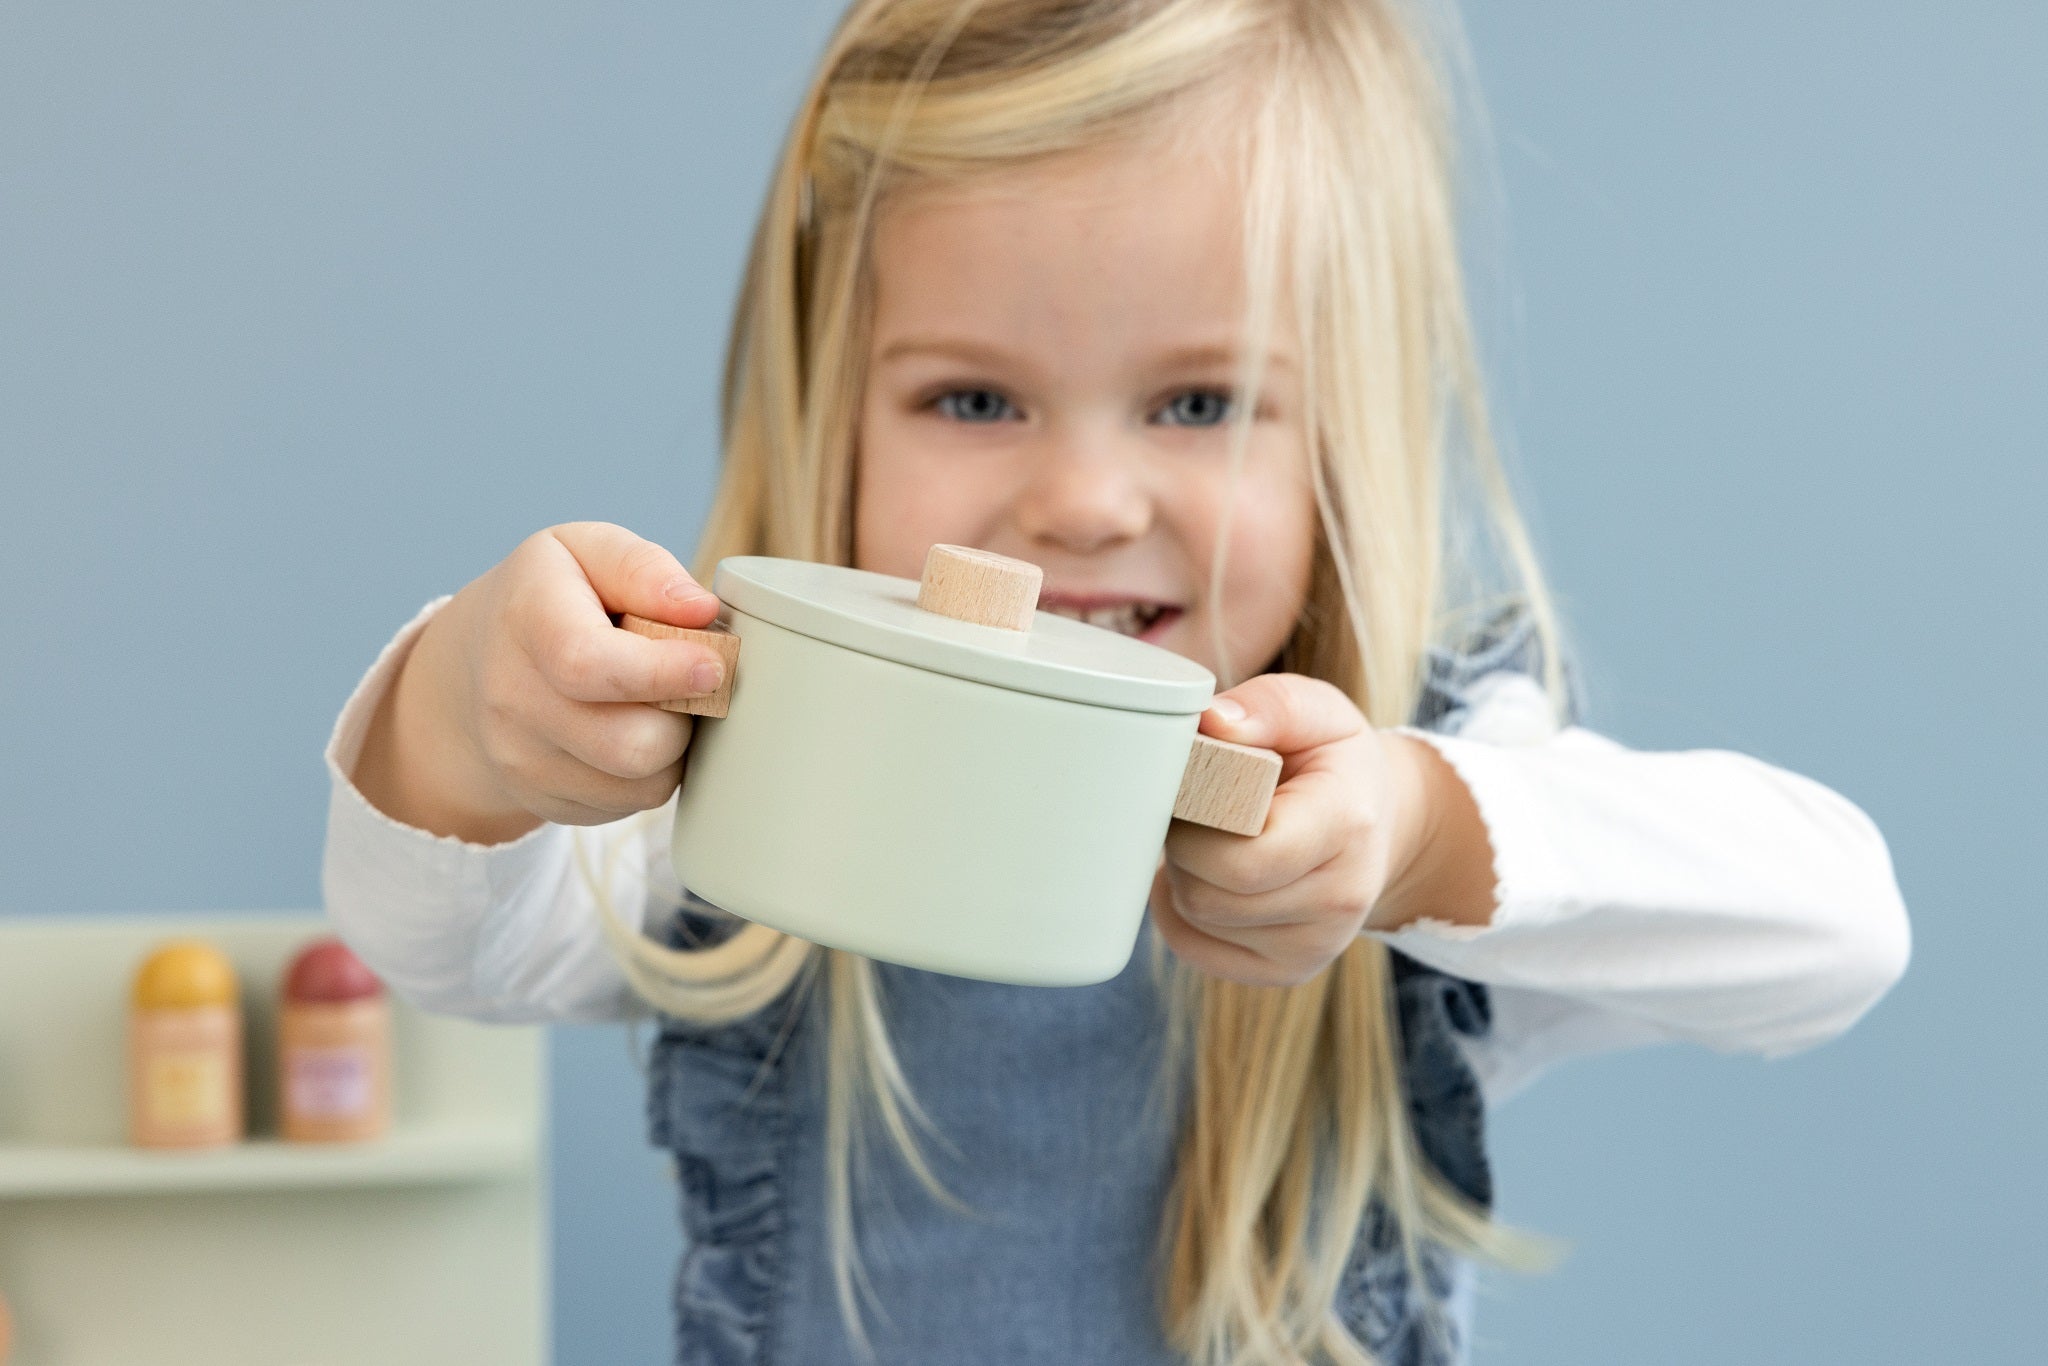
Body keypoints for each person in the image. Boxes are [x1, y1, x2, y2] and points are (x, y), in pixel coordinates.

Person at [322, 2, 1910, 1362]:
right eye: (974, 398)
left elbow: (1838, 932)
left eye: (1198, 402)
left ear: (1338, 435)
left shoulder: (1392, 813)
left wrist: (1422, 836)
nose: (1082, 502)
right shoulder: (749, 783)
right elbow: (432, 942)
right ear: (837, 412)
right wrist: (465, 712)